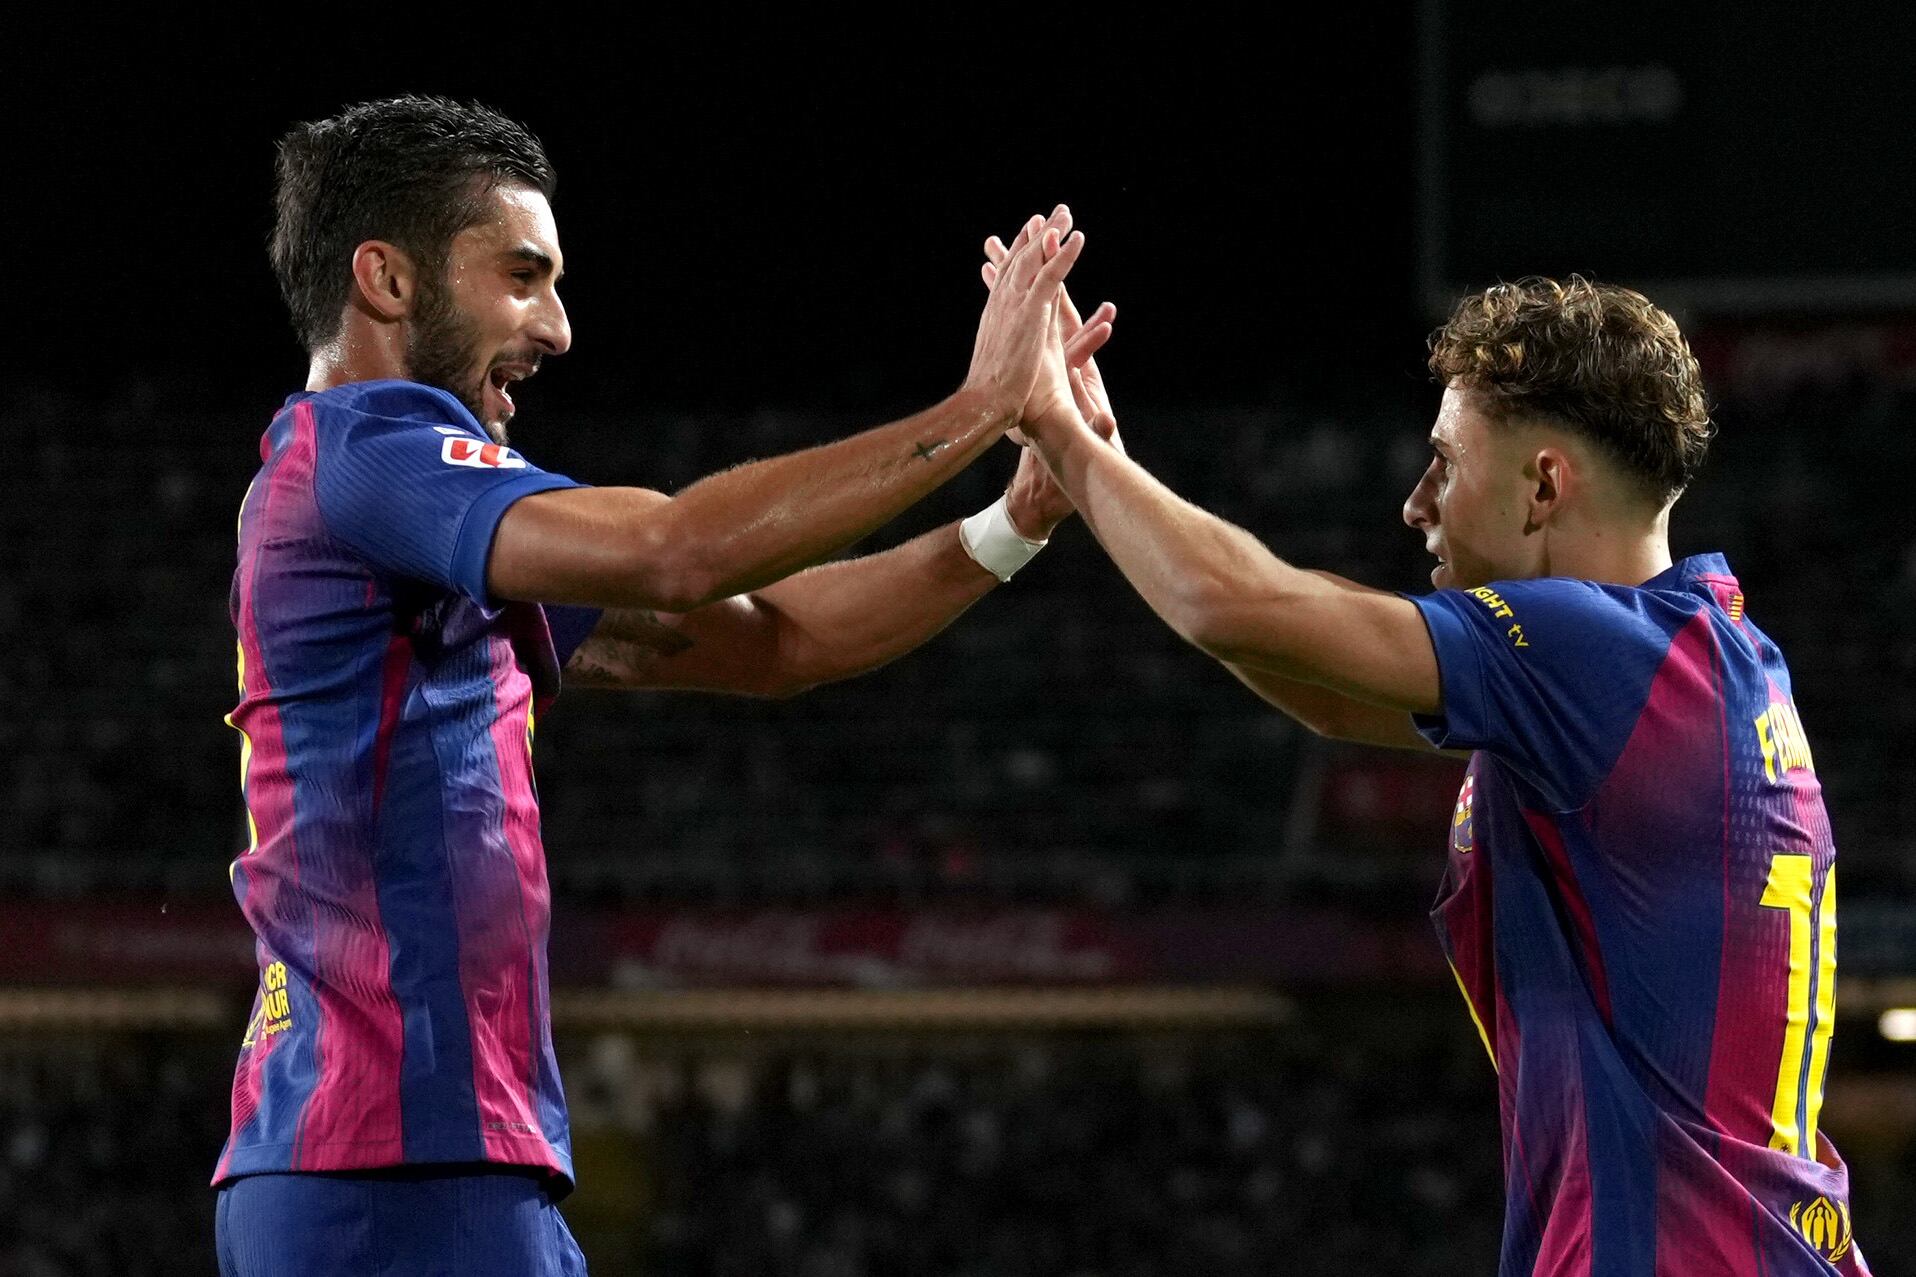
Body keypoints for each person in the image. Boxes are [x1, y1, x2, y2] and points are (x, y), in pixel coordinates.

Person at [213, 95, 1104, 1276]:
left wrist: (1017, 516)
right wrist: (977, 406)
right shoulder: (367, 451)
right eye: (523, 277)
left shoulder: (399, 516)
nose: (558, 327)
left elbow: (773, 639)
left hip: (410, 1163)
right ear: (384, 278)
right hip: (394, 1165)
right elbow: (675, 547)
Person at [991, 234, 1868, 1275]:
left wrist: (1050, 422)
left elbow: (1236, 602)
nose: (1415, 503)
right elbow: (1319, 686)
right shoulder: (1691, 658)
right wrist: (1108, 481)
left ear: (1541, 487)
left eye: (1445, 463)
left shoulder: (1593, 653)